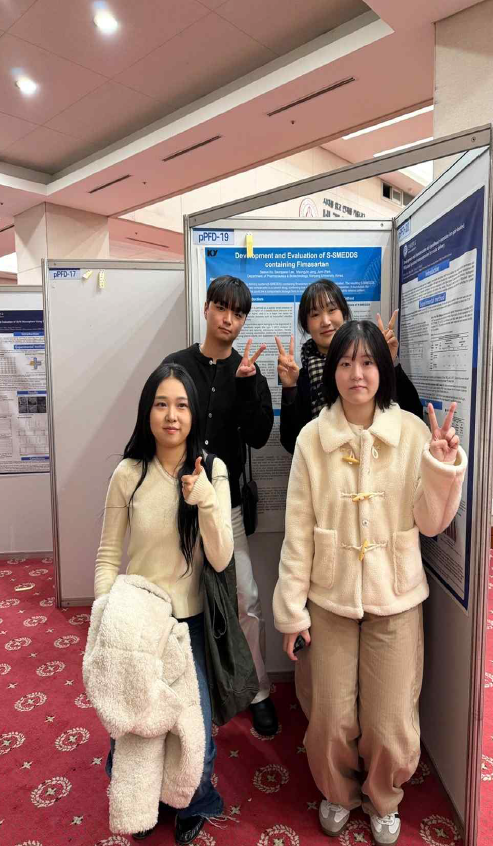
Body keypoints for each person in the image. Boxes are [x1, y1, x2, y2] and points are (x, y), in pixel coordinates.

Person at [273, 320, 467, 845]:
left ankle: (383, 797)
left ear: (382, 368)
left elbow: (432, 523)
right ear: (331, 370)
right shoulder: (312, 438)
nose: (356, 374)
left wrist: (441, 467)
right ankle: (337, 792)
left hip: (396, 594)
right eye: (345, 363)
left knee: (390, 720)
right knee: (329, 716)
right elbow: (297, 532)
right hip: (328, 597)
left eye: (367, 362)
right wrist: (291, 611)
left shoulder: (412, 432)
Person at [93, 362, 233, 844]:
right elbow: (108, 554)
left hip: (189, 623)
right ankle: (142, 800)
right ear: (146, 411)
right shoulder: (128, 473)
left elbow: (221, 557)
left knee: (194, 731)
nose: (172, 416)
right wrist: (103, 616)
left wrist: (204, 499)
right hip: (137, 621)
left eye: (182, 405)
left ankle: (194, 800)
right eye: (161, 404)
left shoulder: (211, 470)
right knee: (135, 723)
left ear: (194, 414)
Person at [163, 275, 278, 737]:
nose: (229, 320)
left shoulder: (249, 371)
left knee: (245, 599)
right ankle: (183, 691)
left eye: (239, 313)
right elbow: (159, 425)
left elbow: (259, 437)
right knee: (174, 598)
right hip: (177, 502)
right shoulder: (176, 365)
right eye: (223, 309)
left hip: (225, 507)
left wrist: (247, 386)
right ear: (207, 309)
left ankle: (258, 691)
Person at [275, 278, 423, 455]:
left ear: (344, 313)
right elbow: (292, 442)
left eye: (332, 310)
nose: (325, 321)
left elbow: (412, 414)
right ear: (306, 325)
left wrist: (388, 362)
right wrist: (290, 387)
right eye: (315, 314)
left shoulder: (370, 368)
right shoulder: (303, 377)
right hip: (324, 465)